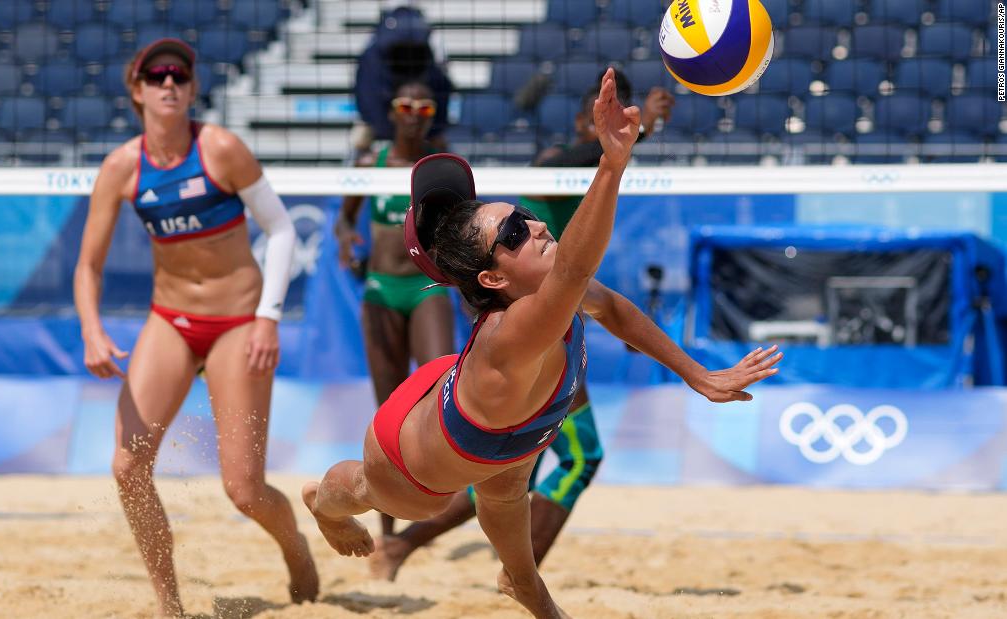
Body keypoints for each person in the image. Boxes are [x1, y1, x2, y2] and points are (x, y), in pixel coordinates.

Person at [303, 69, 781, 618]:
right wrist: (610, 164)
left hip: (502, 437)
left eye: (524, 218)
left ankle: (529, 590)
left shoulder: (555, 302)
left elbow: (617, 309)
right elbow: (576, 268)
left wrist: (696, 374)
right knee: (367, 489)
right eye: (512, 235)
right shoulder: (517, 326)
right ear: (493, 279)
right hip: (413, 455)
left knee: (510, 506)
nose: (532, 227)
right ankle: (319, 503)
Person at [368, 70, 677, 581]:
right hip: (533, 338)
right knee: (562, 460)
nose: (531, 224)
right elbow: (574, 251)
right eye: (596, 119)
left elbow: (591, 287)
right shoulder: (552, 164)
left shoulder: (566, 200)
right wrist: (623, 142)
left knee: (507, 469)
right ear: (583, 121)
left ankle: (414, 547)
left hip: (551, 330)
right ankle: (504, 570)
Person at [74, 38, 318, 616]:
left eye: (178, 74)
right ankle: (170, 605)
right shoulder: (122, 168)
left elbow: (281, 231)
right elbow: (88, 265)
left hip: (239, 322)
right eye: (156, 75)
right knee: (128, 465)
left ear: (191, 87)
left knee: (245, 491)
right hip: (173, 320)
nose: (168, 84)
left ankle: (296, 548)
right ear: (136, 90)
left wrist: (268, 319)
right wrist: (91, 330)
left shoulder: (220, 149)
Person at [336, 80, 455, 538]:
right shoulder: (372, 163)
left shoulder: (437, 167)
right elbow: (344, 218)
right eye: (404, 104)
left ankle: (434, 501)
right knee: (387, 406)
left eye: (423, 106)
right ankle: (387, 526)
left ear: (430, 114)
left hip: (426, 287)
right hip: (382, 288)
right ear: (392, 111)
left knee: (440, 390)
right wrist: (347, 239)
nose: (413, 112)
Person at [352, 5, 452, 153]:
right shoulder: (373, 57)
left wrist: (434, 130)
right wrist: (381, 125)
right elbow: (366, 96)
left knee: (442, 151)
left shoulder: (432, 54)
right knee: (360, 142)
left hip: (422, 120)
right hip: (379, 119)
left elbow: (441, 92)